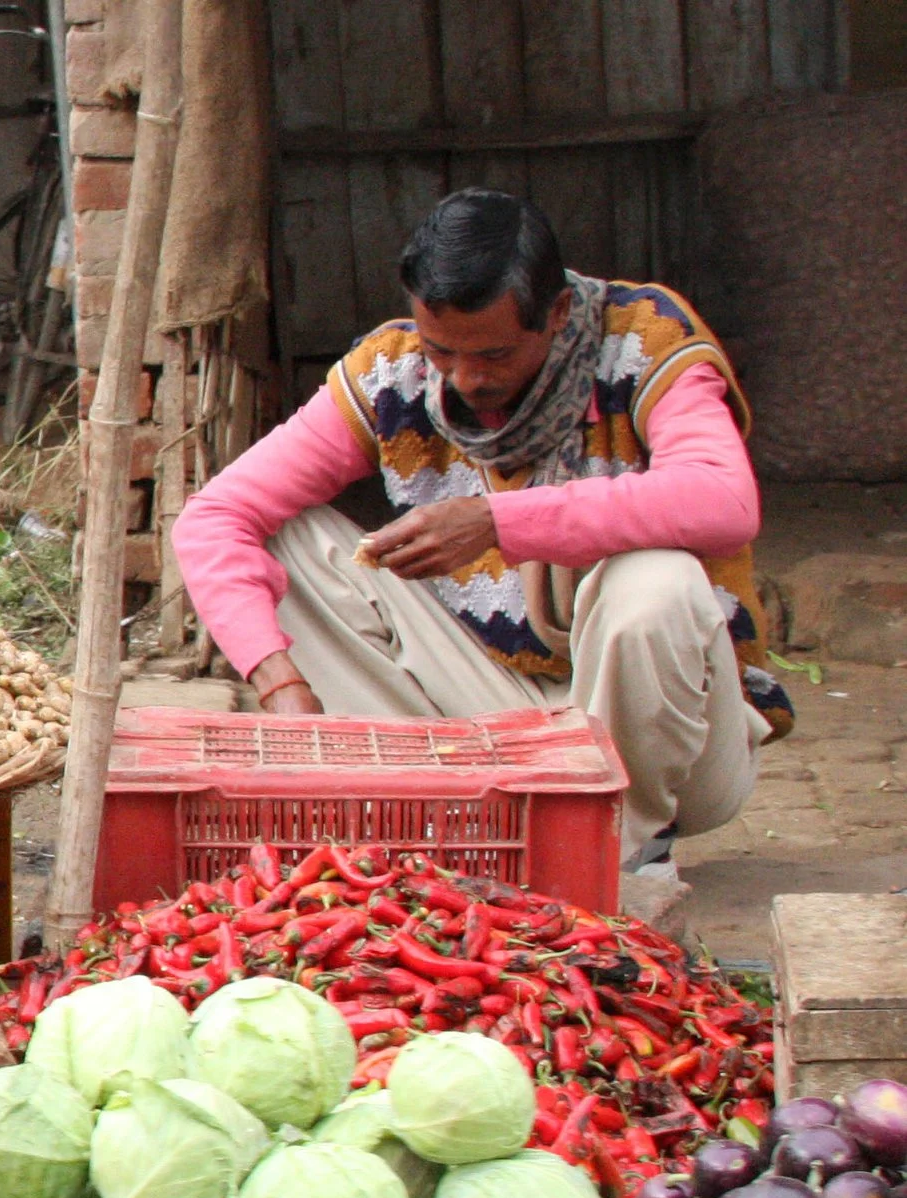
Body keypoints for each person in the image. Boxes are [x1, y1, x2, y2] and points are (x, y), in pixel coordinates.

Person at [172, 188, 791, 876]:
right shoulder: (392, 370)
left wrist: (497, 523)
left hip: (681, 749)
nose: (465, 378)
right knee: (289, 540)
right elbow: (215, 516)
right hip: (503, 714)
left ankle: (622, 844)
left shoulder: (643, 340)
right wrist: (280, 683)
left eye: (494, 355)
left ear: (556, 314)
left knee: (655, 582)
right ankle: (456, 811)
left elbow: (725, 498)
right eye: (441, 351)